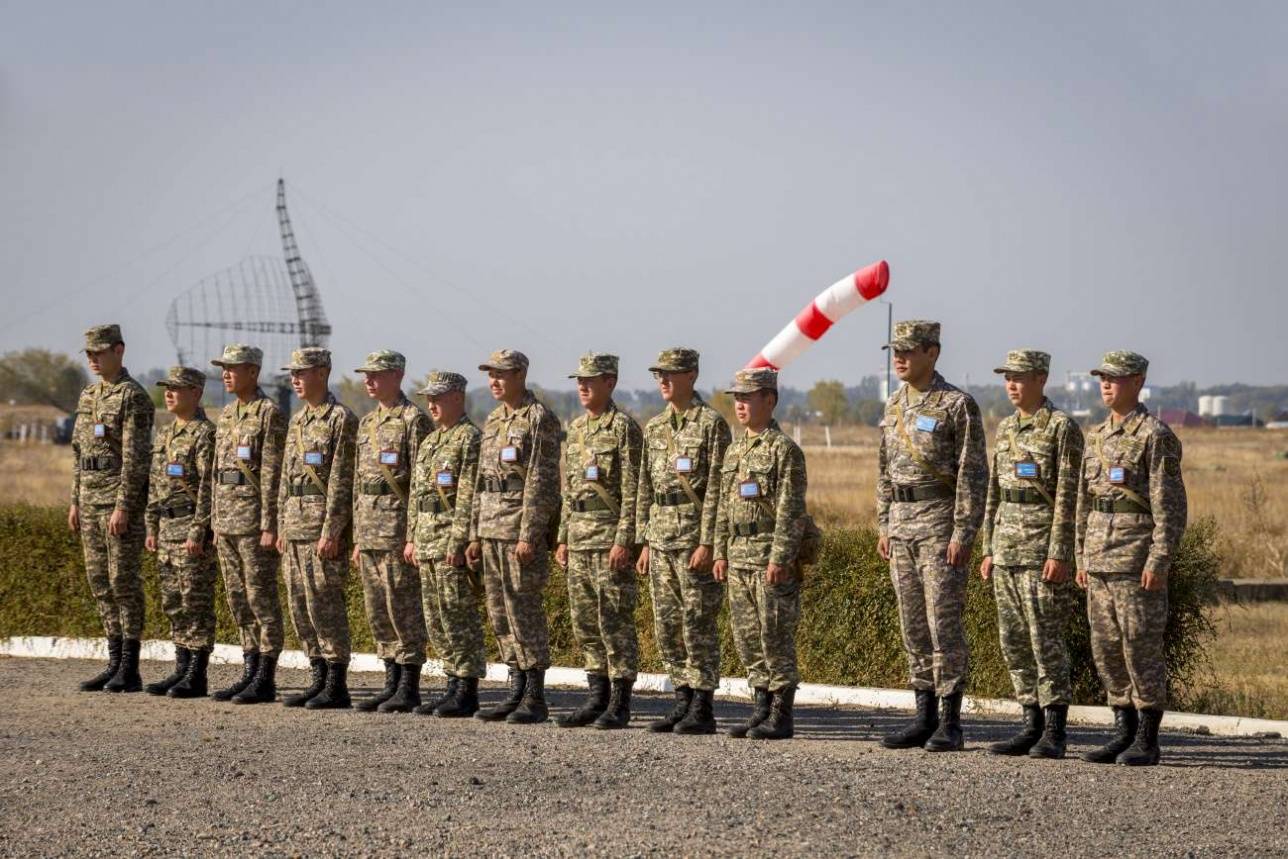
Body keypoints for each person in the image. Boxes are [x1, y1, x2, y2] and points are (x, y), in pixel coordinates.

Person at [876, 320, 987, 752]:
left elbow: (973, 474)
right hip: (902, 526)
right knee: (913, 626)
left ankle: (950, 721)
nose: (899, 358)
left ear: (932, 353)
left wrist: (964, 531)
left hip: (940, 525)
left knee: (943, 625)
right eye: (895, 351)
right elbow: (883, 472)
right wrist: (884, 523)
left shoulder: (957, 404)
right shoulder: (893, 405)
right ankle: (923, 715)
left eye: (908, 350)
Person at [1076, 351, 1187, 767]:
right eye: (1102, 378)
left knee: (1140, 647)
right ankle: (1121, 732)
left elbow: (1170, 507)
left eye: (1116, 378)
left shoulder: (1155, 436)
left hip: (1135, 561)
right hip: (1100, 561)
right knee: (1105, 648)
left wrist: (1159, 560)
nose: (1106, 385)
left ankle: (1147, 737)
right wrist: (1081, 556)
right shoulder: (1097, 435)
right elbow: (1085, 505)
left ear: (1138, 382)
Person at [978, 350, 1084, 758]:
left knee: (1046, 642)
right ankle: (1029, 724)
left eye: (1020, 377)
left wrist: (1059, 552)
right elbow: (994, 493)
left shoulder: (1061, 429)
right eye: (1008, 377)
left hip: (1041, 554)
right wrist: (988, 546)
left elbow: (1068, 497)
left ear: (1041, 379)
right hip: (1006, 551)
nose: (1011, 384)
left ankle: (1054, 731)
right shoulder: (1005, 429)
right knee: (1015, 642)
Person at [635, 347, 731, 734]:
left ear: (691, 375)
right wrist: (644, 540)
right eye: (659, 374)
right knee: (667, 625)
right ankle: (682, 699)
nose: (663, 381)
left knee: (697, 623)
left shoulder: (711, 424)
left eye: (670, 374)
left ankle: (703, 706)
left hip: (694, 541)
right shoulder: (655, 427)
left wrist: (709, 542)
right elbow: (646, 487)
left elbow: (718, 491)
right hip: (660, 540)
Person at [467, 349, 562, 725]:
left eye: (502, 374)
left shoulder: (538, 418)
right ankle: (515, 688)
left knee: (523, 612)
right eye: (491, 374)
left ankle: (535, 696)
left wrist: (530, 533)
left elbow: (542, 482)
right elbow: (481, 481)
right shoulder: (494, 419)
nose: (494, 381)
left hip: (518, 532)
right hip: (491, 529)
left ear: (521, 374)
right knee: (500, 613)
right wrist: (475, 532)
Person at [713, 367, 808, 740]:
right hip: (738, 556)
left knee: (775, 637)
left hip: (768, 556)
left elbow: (791, 511)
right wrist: (721, 551)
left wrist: (780, 558)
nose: (739, 404)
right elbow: (724, 505)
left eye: (747, 397)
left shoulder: (784, 450)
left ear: (769, 400)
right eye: (736, 397)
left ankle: (781, 716)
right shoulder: (734, 450)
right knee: (748, 637)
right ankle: (760, 708)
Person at [554, 353, 644, 730]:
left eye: (590, 380)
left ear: (610, 382)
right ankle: (596, 696)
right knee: (586, 623)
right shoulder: (575, 430)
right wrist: (562, 538)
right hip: (579, 540)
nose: (582, 387)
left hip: (609, 542)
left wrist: (625, 541)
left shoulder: (623, 428)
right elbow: (570, 489)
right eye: (579, 380)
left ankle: (620, 702)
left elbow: (634, 491)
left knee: (614, 622)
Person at [69, 324, 155, 693]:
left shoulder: (132, 397)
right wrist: (74, 500)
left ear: (119, 350)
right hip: (89, 500)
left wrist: (123, 507)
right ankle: (113, 661)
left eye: (99, 352)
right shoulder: (89, 396)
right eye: (88, 353)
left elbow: (136, 459)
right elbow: (79, 453)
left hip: (117, 504)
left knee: (123, 582)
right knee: (100, 583)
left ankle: (130, 668)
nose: (93, 358)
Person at [276, 348, 358, 709]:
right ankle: (317, 675)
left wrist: (332, 530)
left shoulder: (340, 418)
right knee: (299, 605)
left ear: (323, 372)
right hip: (294, 526)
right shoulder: (297, 421)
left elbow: (341, 480)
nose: (295, 379)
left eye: (302, 372)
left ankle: (336, 682)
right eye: (292, 373)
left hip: (320, 528)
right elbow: (285, 478)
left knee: (324, 603)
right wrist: (280, 523)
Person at [352, 350, 431, 713]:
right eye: (367, 375)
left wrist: (413, 534)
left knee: (403, 608)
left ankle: (409, 684)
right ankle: (390, 680)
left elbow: (421, 483)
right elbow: (358, 483)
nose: (369, 380)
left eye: (377, 374)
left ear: (397, 375)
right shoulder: (368, 422)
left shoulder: (414, 420)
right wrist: (355, 535)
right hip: (369, 530)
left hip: (397, 530)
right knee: (378, 610)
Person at [404, 370, 487, 718]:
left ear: (457, 397)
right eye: (429, 399)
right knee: (436, 617)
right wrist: (411, 536)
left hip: (450, 539)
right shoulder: (431, 440)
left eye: (438, 398)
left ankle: (466, 689)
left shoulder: (469, 438)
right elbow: (416, 494)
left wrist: (459, 540)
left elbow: (468, 496)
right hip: (426, 539)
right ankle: (451, 682)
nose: (432, 404)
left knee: (458, 615)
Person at [210, 344, 286, 704]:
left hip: (254, 522)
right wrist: (213, 519)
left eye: (233, 368)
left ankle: (265, 676)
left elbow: (272, 473)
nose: (226, 373)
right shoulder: (227, 414)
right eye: (224, 368)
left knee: (261, 598)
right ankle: (249, 669)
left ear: (253, 372)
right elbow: (216, 473)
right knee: (238, 599)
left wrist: (270, 524)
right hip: (226, 521)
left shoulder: (268, 413)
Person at [143, 366, 217, 698]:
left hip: (189, 528)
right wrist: (152, 525)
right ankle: (180, 667)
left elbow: (207, 489)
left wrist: (198, 531)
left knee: (194, 601)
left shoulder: (204, 434)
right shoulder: (165, 433)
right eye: (167, 388)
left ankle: (196, 674)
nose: (169, 394)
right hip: (166, 527)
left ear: (196, 393)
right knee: (173, 601)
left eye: (177, 388)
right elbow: (156, 485)